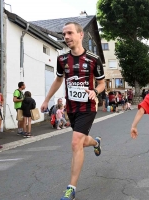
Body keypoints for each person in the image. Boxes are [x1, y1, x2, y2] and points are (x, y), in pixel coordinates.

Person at [40, 22, 105, 200]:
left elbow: (102, 82)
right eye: (64, 34)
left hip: (88, 107)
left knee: (76, 142)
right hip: (71, 108)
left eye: (69, 33)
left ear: (80, 34)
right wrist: (47, 99)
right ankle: (96, 143)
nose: (66, 37)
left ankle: (71, 188)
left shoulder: (93, 59)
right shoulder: (62, 59)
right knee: (83, 141)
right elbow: (58, 80)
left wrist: (95, 91)